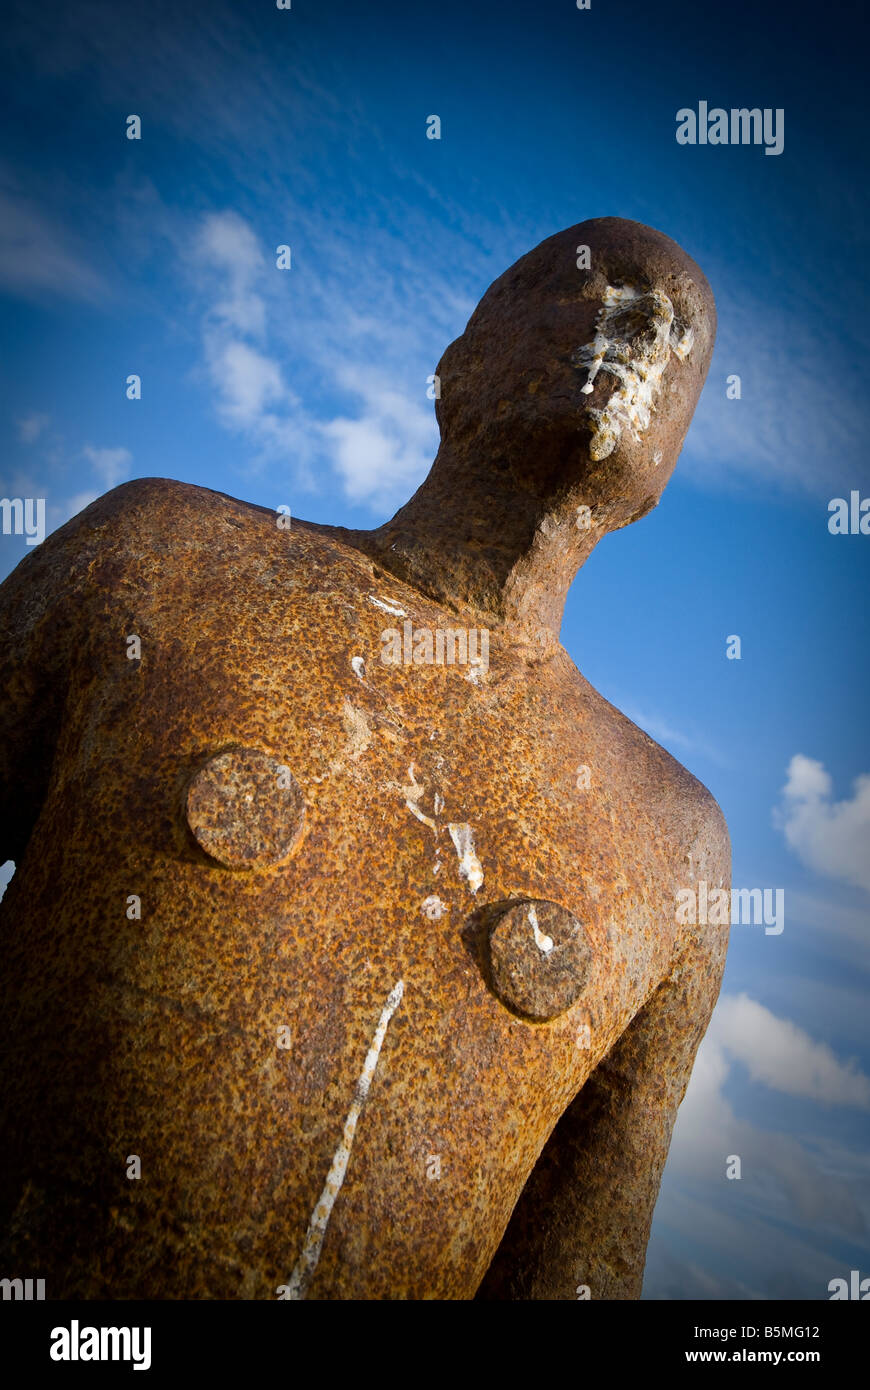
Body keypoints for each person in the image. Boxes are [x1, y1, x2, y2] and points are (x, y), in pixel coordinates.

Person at [0, 216, 729, 1300]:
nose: (642, 328)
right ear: (458, 366)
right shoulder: (157, 560)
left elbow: (579, 1266)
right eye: (594, 287)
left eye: (678, 332)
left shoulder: (672, 849)